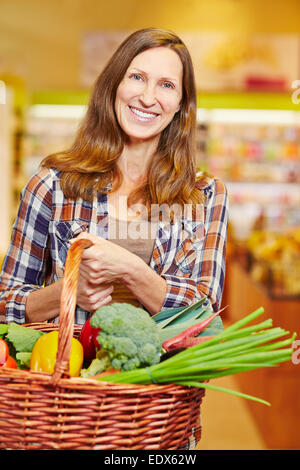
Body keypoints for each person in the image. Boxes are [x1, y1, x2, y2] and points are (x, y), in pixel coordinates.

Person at [0, 27, 228, 450]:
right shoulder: (52, 185)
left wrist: (133, 271)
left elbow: (205, 315)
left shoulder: (203, 196)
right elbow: (5, 302)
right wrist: (66, 294)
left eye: (166, 85)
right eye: (136, 77)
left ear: (180, 104)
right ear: (114, 84)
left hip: (159, 421)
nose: (147, 96)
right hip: (60, 416)